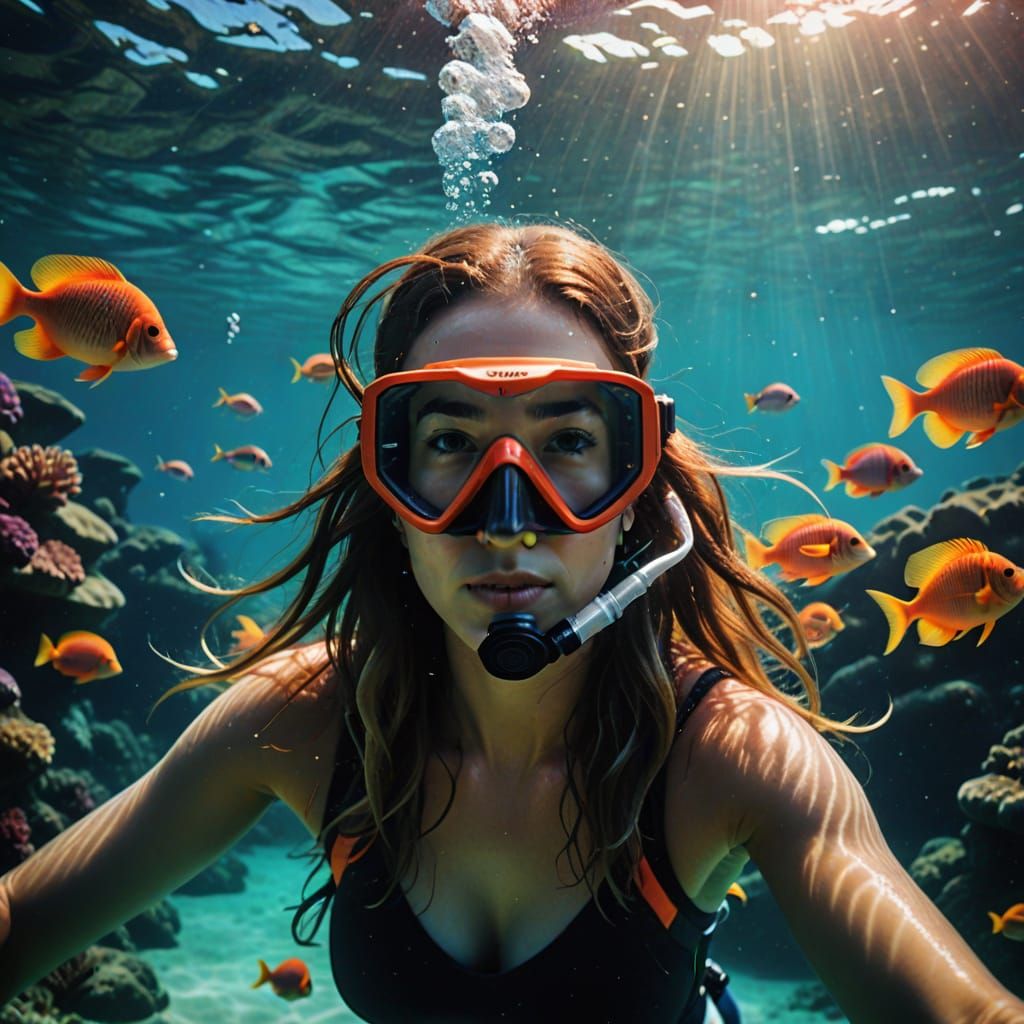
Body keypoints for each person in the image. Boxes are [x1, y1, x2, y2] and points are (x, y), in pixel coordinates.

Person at [1, 224, 1021, 1024]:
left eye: (570, 440)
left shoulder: (734, 755)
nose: (507, 514)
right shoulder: (302, 719)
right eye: (447, 438)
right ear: (386, 478)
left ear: (636, 484)